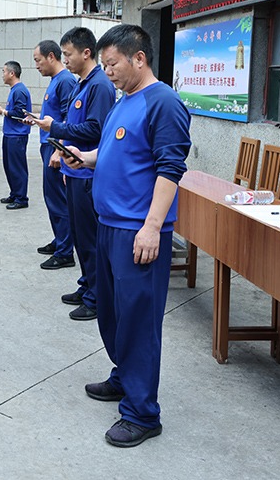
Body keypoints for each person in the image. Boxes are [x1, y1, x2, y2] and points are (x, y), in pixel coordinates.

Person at [65, 24, 191, 448]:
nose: (109, 72)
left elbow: (169, 169)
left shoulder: (164, 103)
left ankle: (142, 413)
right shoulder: (124, 100)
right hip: (108, 225)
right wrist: (87, 159)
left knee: (138, 321)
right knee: (113, 313)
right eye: (104, 65)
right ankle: (124, 376)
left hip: (138, 231)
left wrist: (153, 226)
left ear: (139, 58)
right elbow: (116, 149)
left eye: (113, 64)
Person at [29, 28, 115, 321]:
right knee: (81, 238)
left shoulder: (99, 86)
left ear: (86, 53)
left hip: (89, 176)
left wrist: (56, 128)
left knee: (91, 241)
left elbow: (95, 129)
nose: (64, 59)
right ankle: (87, 285)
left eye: (68, 54)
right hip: (75, 172)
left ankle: (96, 297)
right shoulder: (82, 83)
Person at [32, 40, 76, 269]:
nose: (37, 66)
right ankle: (60, 239)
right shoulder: (55, 81)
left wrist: (60, 150)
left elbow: (69, 118)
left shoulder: (66, 81)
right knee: (51, 198)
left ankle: (65, 251)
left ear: (51, 57)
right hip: (47, 144)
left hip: (55, 148)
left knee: (59, 199)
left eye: (38, 61)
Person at [0, 61, 31, 209]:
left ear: (12, 73)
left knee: (17, 167)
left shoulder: (19, 90)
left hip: (17, 135)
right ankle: (15, 193)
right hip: (10, 134)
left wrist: (3, 111)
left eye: (3, 71)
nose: (2, 75)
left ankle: (22, 198)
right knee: (9, 166)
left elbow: (19, 114)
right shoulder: (14, 90)